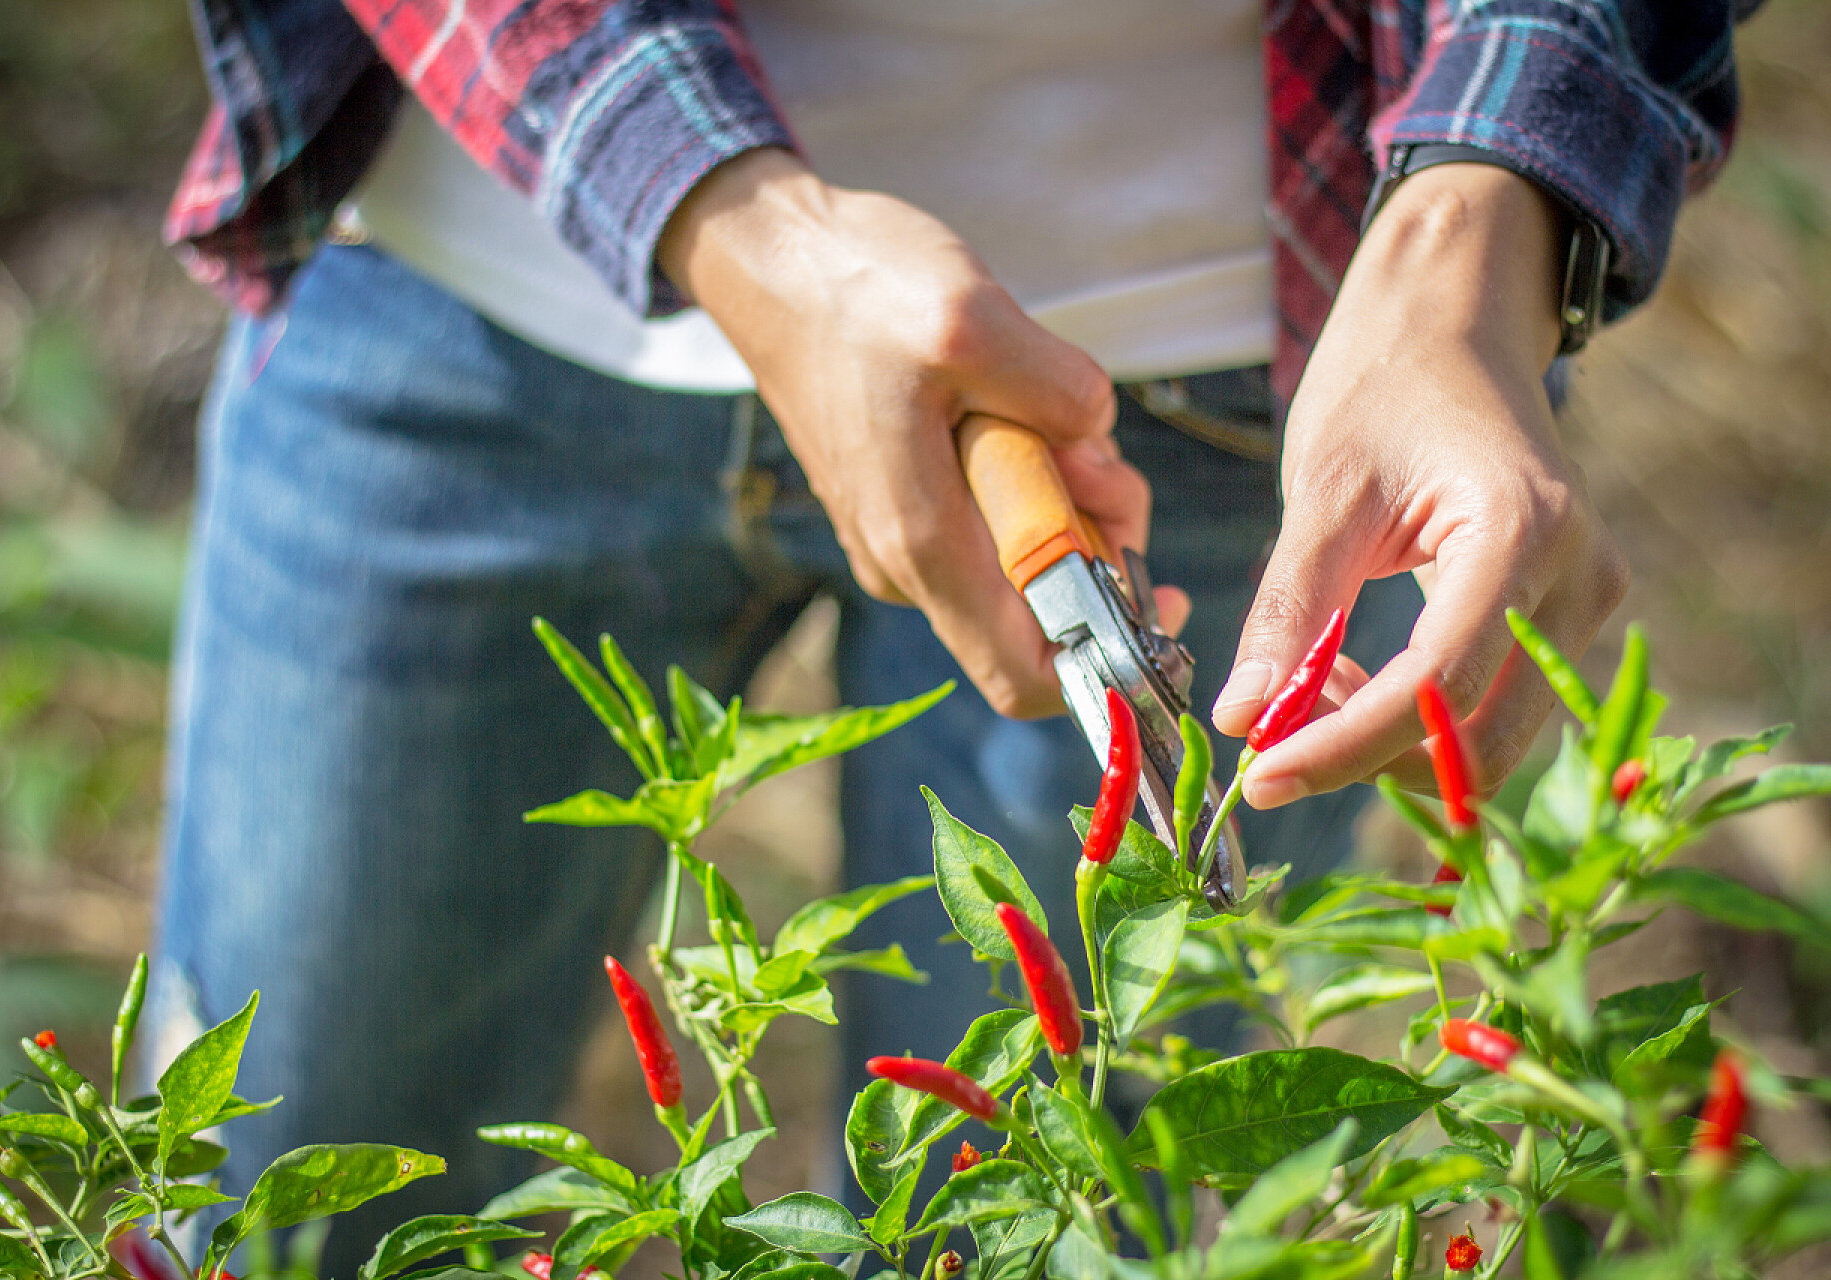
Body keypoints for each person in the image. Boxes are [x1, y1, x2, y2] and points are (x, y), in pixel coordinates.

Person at [153, 0, 1748, 1264]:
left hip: (1239, 358)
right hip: (471, 287)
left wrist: (1479, 224)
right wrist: (724, 209)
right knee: (277, 1195)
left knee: (1036, 1223)